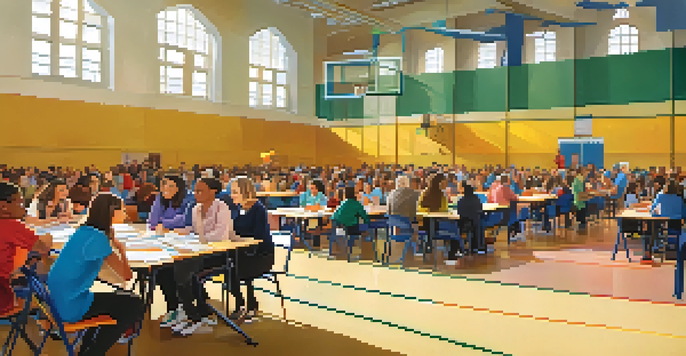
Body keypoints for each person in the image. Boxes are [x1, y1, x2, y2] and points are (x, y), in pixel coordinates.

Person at [47, 193, 143, 356]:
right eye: (122, 210)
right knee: (134, 304)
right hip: (71, 306)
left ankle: (88, 349)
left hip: (58, 300)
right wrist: (120, 249)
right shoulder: (98, 238)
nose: (125, 213)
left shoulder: (85, 230)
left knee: (121, 297)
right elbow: (126, 276)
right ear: (111, 212)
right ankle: (94, 352)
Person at [157, 178, 235, 334]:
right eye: (195, 190)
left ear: (213, 191)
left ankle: (194, 315)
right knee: (165, 269)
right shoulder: (196, 209)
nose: (196, 194)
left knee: (182, 270)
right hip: (198, 251)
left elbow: (220, 235)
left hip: (217, 254)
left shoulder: (222, 207)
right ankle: (185, 310)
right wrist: (174, 233)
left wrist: (198, 239)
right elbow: (193, 229)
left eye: (200, 191)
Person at [0, 182, 52, 317]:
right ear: (4, 207)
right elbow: (43, 247)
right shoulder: (10, 225)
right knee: (50, 279)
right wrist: (48, 237)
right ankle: (50, 323)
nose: (24, 209)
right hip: (4, 296)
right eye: (21, 204)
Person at [228, 177, 274, 322]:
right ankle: (240, 302)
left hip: (260, 255)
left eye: (235, 192)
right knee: (226, 266)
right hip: (242, 252)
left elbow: (258, 236)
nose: (232, 195)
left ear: (245, 192)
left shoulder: (258, 209)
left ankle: (250, 305)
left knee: (235, 268)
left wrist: (239, 239)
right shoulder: (237, 209)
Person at [418, 174, 448, 255]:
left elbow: (419, 207)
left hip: (424, 223)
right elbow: (444, 209)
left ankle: (427, 244)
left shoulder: (424, 193)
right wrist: (434, 211)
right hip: (439, 223)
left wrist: (428, 210)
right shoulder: (442, 195)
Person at [457, 182, 483, 255]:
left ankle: (459, 247)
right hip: (475, 224)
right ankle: (477, 246)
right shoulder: (477, 200)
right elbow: (480, 210)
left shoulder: (461, 201)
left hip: (462, 224)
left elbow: (459, 212)